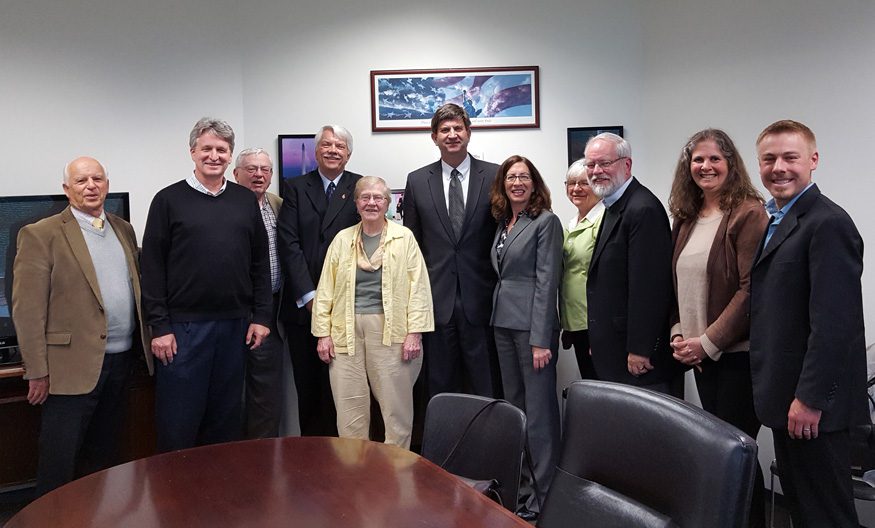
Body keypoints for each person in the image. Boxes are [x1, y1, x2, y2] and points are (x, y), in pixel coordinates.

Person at [12, 157, 152, 496]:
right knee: (60, 463)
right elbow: (27, 309)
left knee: (105, 458)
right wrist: (36, 370)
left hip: (121, 363)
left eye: (97, 179)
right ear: (66, 189)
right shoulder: (40, 234)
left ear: (107, 184)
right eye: (81, 181)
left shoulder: (123, 228)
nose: (91, 186)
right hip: (68, 369)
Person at [750, 120, 866, 527]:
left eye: (790, 157)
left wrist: (811, 399)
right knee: (803, 510)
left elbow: (836, 325)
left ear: (813, 160)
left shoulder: (827, 223)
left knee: (826, 516)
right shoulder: (778, 218)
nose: (778, 167)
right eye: (769, 159)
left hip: (813, 408)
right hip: (788, 399)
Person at [142, 117, 272, 452]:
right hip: (183, 330)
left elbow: (260, 262)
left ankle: (220, 496)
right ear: (192, 152)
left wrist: (261, 317)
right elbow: (152, 267)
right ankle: (175, 497)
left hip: (235, 326)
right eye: (207, 148)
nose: (214, 155)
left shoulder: (244, 200)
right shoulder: (167, 200)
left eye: (221, 150)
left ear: (230, 157)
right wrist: (159, 326)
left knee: (226, 419)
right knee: (179, 420)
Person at [667, 129, 769, 527]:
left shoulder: (747, 212)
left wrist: (708, 342)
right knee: (723, 452)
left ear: (730, 163)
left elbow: (750, 289)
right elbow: (675, 282)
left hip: (734, 356)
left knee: (737, 452)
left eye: (714, 159)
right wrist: (678, 331)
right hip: (699, 354)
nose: (705, 167)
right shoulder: (687, 217)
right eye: (697, 159)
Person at [312, 176, 433, 449]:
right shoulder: (342, 240)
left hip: (392, 331)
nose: (371, 203)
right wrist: (323, 334)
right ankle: (356, 479)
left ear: (388, 203)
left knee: (396, 410)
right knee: (349, 410)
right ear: (356, 203)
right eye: (365, 197)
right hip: (345, 331)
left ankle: (398, 477)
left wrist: (415, 333)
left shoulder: (405, 238)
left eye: (378, 198)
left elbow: (419, 288)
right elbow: (325, 290)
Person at [404, 103, 499, 398]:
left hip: (482, 301)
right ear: (434, 137)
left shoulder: (495, 176)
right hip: (436, 301)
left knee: (485, 385)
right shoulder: (417, 180)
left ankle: (488, 443)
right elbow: (412, 246)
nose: (452, 134)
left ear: (469, 133)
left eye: (458, 128)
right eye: (445, 129)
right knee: (441, 387)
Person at [489, 155, 562, 521]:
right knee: (516, 413)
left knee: (540, 418)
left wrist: (541, 339)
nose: (517, 182)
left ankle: (543, 500)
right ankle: (521, 494)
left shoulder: (546, 222)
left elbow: (548, 281)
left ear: (534, 183)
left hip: (532, 332)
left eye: (524, 177)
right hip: (503, 324)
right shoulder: (504, 222)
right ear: (503, 184)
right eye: (511, 177)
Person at [277, 125, 362, 437]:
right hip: (304, 308)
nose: (332, 150)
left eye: (339, 145)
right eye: (326, 144)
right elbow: (289, 244)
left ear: (348, 153)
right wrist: (311, 296)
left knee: (344, 389)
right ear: (316, 152)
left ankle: (345, 459)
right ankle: (312, 462)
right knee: (309, 388)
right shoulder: (296, 187)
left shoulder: (359, 186)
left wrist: (335, 299)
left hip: (347, 307)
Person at [584, 133, 676, 392]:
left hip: (636, 357)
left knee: (642, 428)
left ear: (627, 165)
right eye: (590, 165)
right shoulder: (614, 205)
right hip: (614, 347)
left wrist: (640, 349)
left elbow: (650, 288)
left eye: (604, 163)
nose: (596, 171)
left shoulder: (642, 208)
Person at [232, 147, 285, 439]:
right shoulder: (227, 205)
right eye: (251, 169)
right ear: (235, 173)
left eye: (265, 169)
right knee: (230, 393)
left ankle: (263, 460)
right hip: (235, 310)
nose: (258, 175)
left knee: (265, 393)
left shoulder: (278, 205)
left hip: (270, 312)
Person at [559, 159, 604, 380]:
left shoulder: (604, 220)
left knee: (603, 390)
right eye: (571, 183)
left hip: (596, 324)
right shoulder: (571, 224)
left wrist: (601, 334)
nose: (576, 189)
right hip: (576, 322)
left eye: (584, 183)